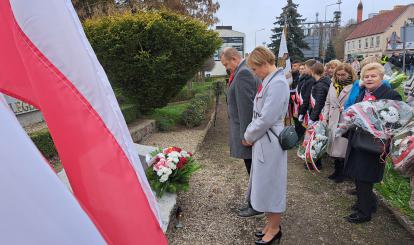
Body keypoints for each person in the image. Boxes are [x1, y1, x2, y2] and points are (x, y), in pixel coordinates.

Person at [343, 63, 402, 223]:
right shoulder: (363, 92)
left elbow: (394, 120)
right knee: (357, 172)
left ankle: (364, 213)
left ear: (381, 78)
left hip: (374, 143)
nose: (369, 79)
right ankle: (367, 203)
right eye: (366, 76)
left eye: (373, 76)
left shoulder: (391, 94)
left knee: (365, 176)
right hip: (358, 138)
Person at [242, 46, 289, 244]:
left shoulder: (277, 83)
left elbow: (267, 118)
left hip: (270, 141)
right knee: (265, 184)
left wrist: (248, 135)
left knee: (271, 185)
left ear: (264, 63)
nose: (254, 73)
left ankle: (275, 229)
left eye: (254, 69)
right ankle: (270, 225)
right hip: (265, 140)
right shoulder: (270, 81)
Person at [220, 47, 262, 218]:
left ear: (234, 59)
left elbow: (246, 108)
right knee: (252, 168)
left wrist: (247, 135)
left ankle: (257, 205)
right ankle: (255, 201)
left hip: (246, 132)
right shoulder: (243, 71)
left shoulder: (243, 73)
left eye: (226, 65)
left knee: (253, 168)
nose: (226, 68)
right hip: (246, 130)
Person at [321, 63, 356, 183]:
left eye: (343, 75)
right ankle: (337, 170)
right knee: (333, 146)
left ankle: (343, 172)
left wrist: (346, 109)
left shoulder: (353, 87)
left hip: (344, 120)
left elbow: (356, 103)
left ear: (349, 74)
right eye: (338, 75)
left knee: (342, 146)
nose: (341, 77)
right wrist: (325, 117)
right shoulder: (333, 85)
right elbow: (327, 102)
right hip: (332, 118)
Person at [307, 62, 332, 170]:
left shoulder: (320, 85)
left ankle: (315, 162)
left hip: (319, 116)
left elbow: (318, 103)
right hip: (320, 115)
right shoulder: (323, 82)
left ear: (312, 71)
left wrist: (312, 118)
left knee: (316, 139)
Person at [297, 59, 317, 127]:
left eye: (305, 68)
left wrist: (302, 112)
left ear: (310, 68)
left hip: (309, 109)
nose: (304, 70)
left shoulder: (311, 80)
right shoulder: (306, 78)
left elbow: (307, 96)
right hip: (306, 107)